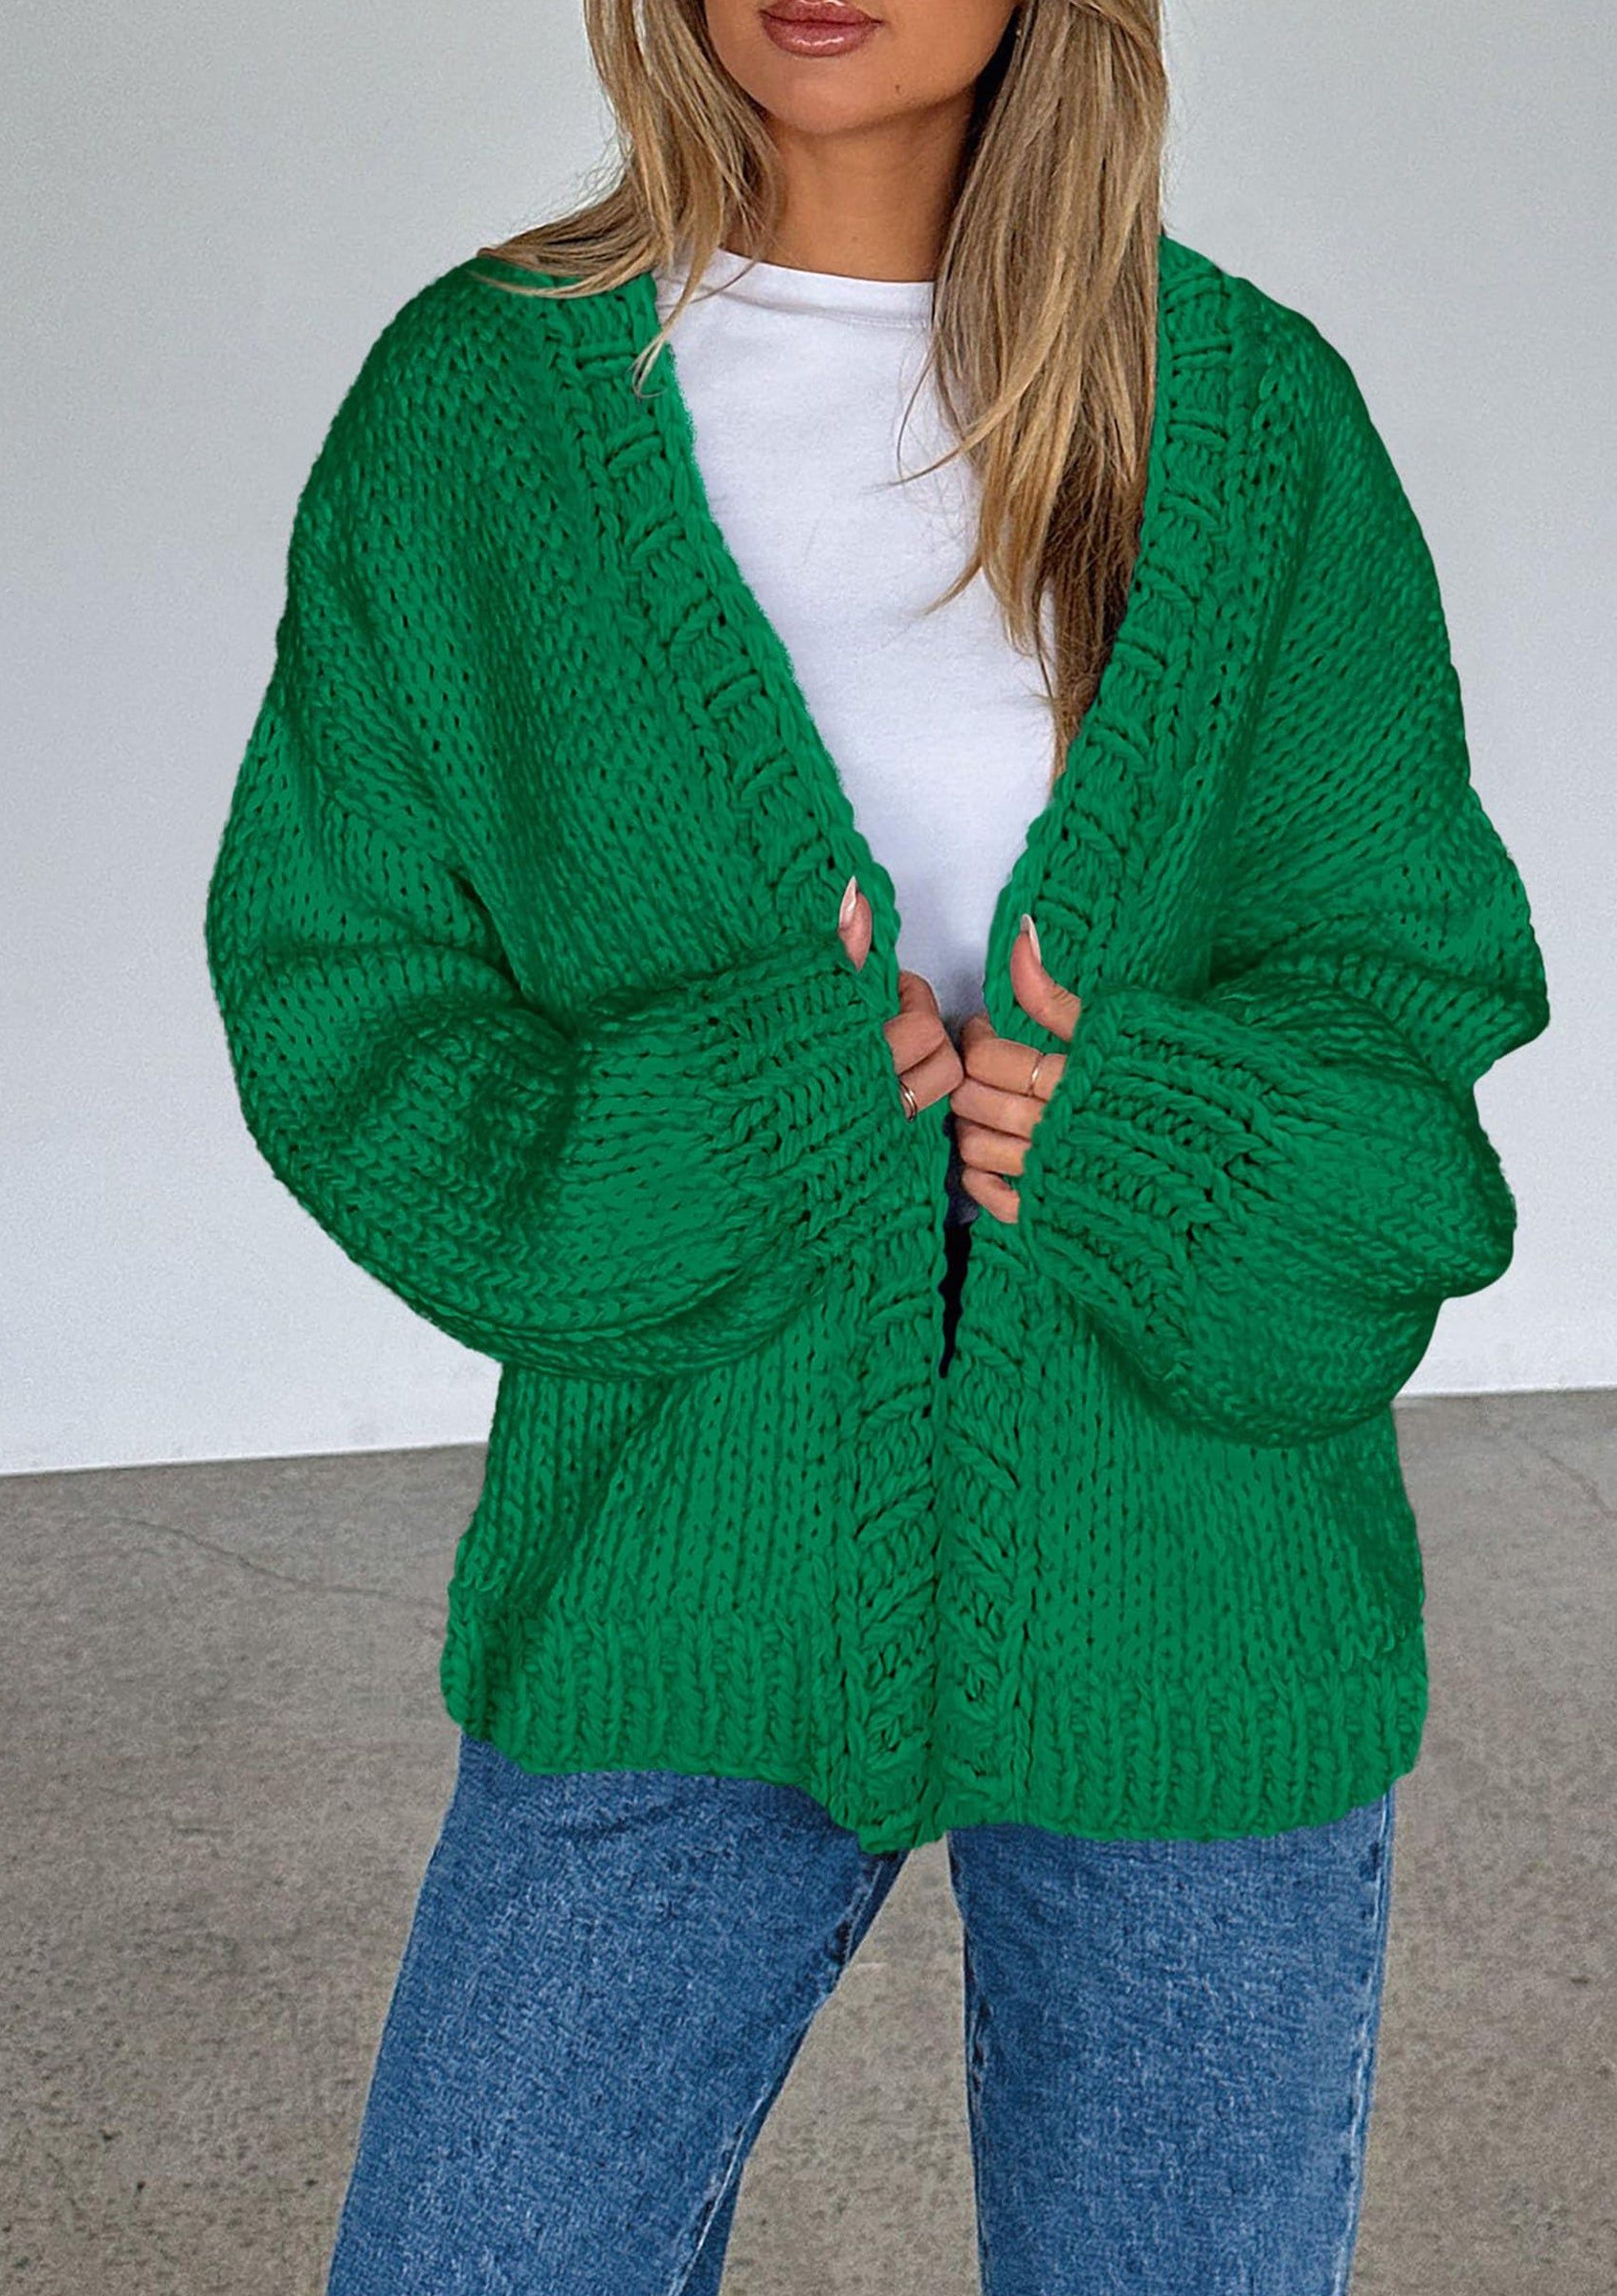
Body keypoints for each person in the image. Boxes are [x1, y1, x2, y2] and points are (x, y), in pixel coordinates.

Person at [201, 3, 1551, 2289]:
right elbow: (342, 986)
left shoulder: (1246, 418)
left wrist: (1162, 1143)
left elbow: (1406, 1001)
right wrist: (714, 1130)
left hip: (1200, 1588)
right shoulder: (480, 408)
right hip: (665, 1563)